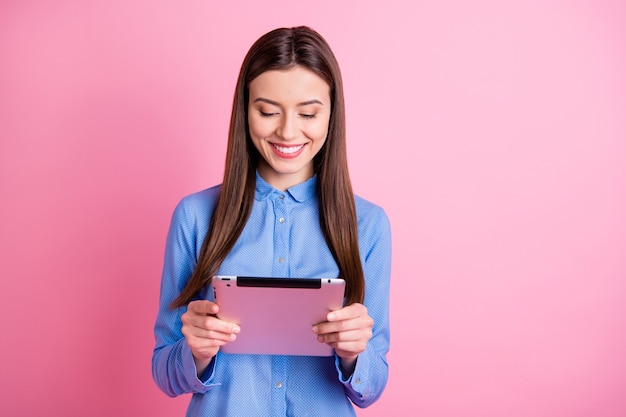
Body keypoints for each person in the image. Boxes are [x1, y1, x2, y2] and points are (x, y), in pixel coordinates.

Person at [152, 26, 392, 417]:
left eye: (309, 113)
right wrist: (194, 351)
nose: (287, 131)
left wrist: (354, 355)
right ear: (245, 110)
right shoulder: (194, 217)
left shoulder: (368, 224)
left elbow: (372, 387)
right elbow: (164, 374)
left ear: (332, 114)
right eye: (267, 111)